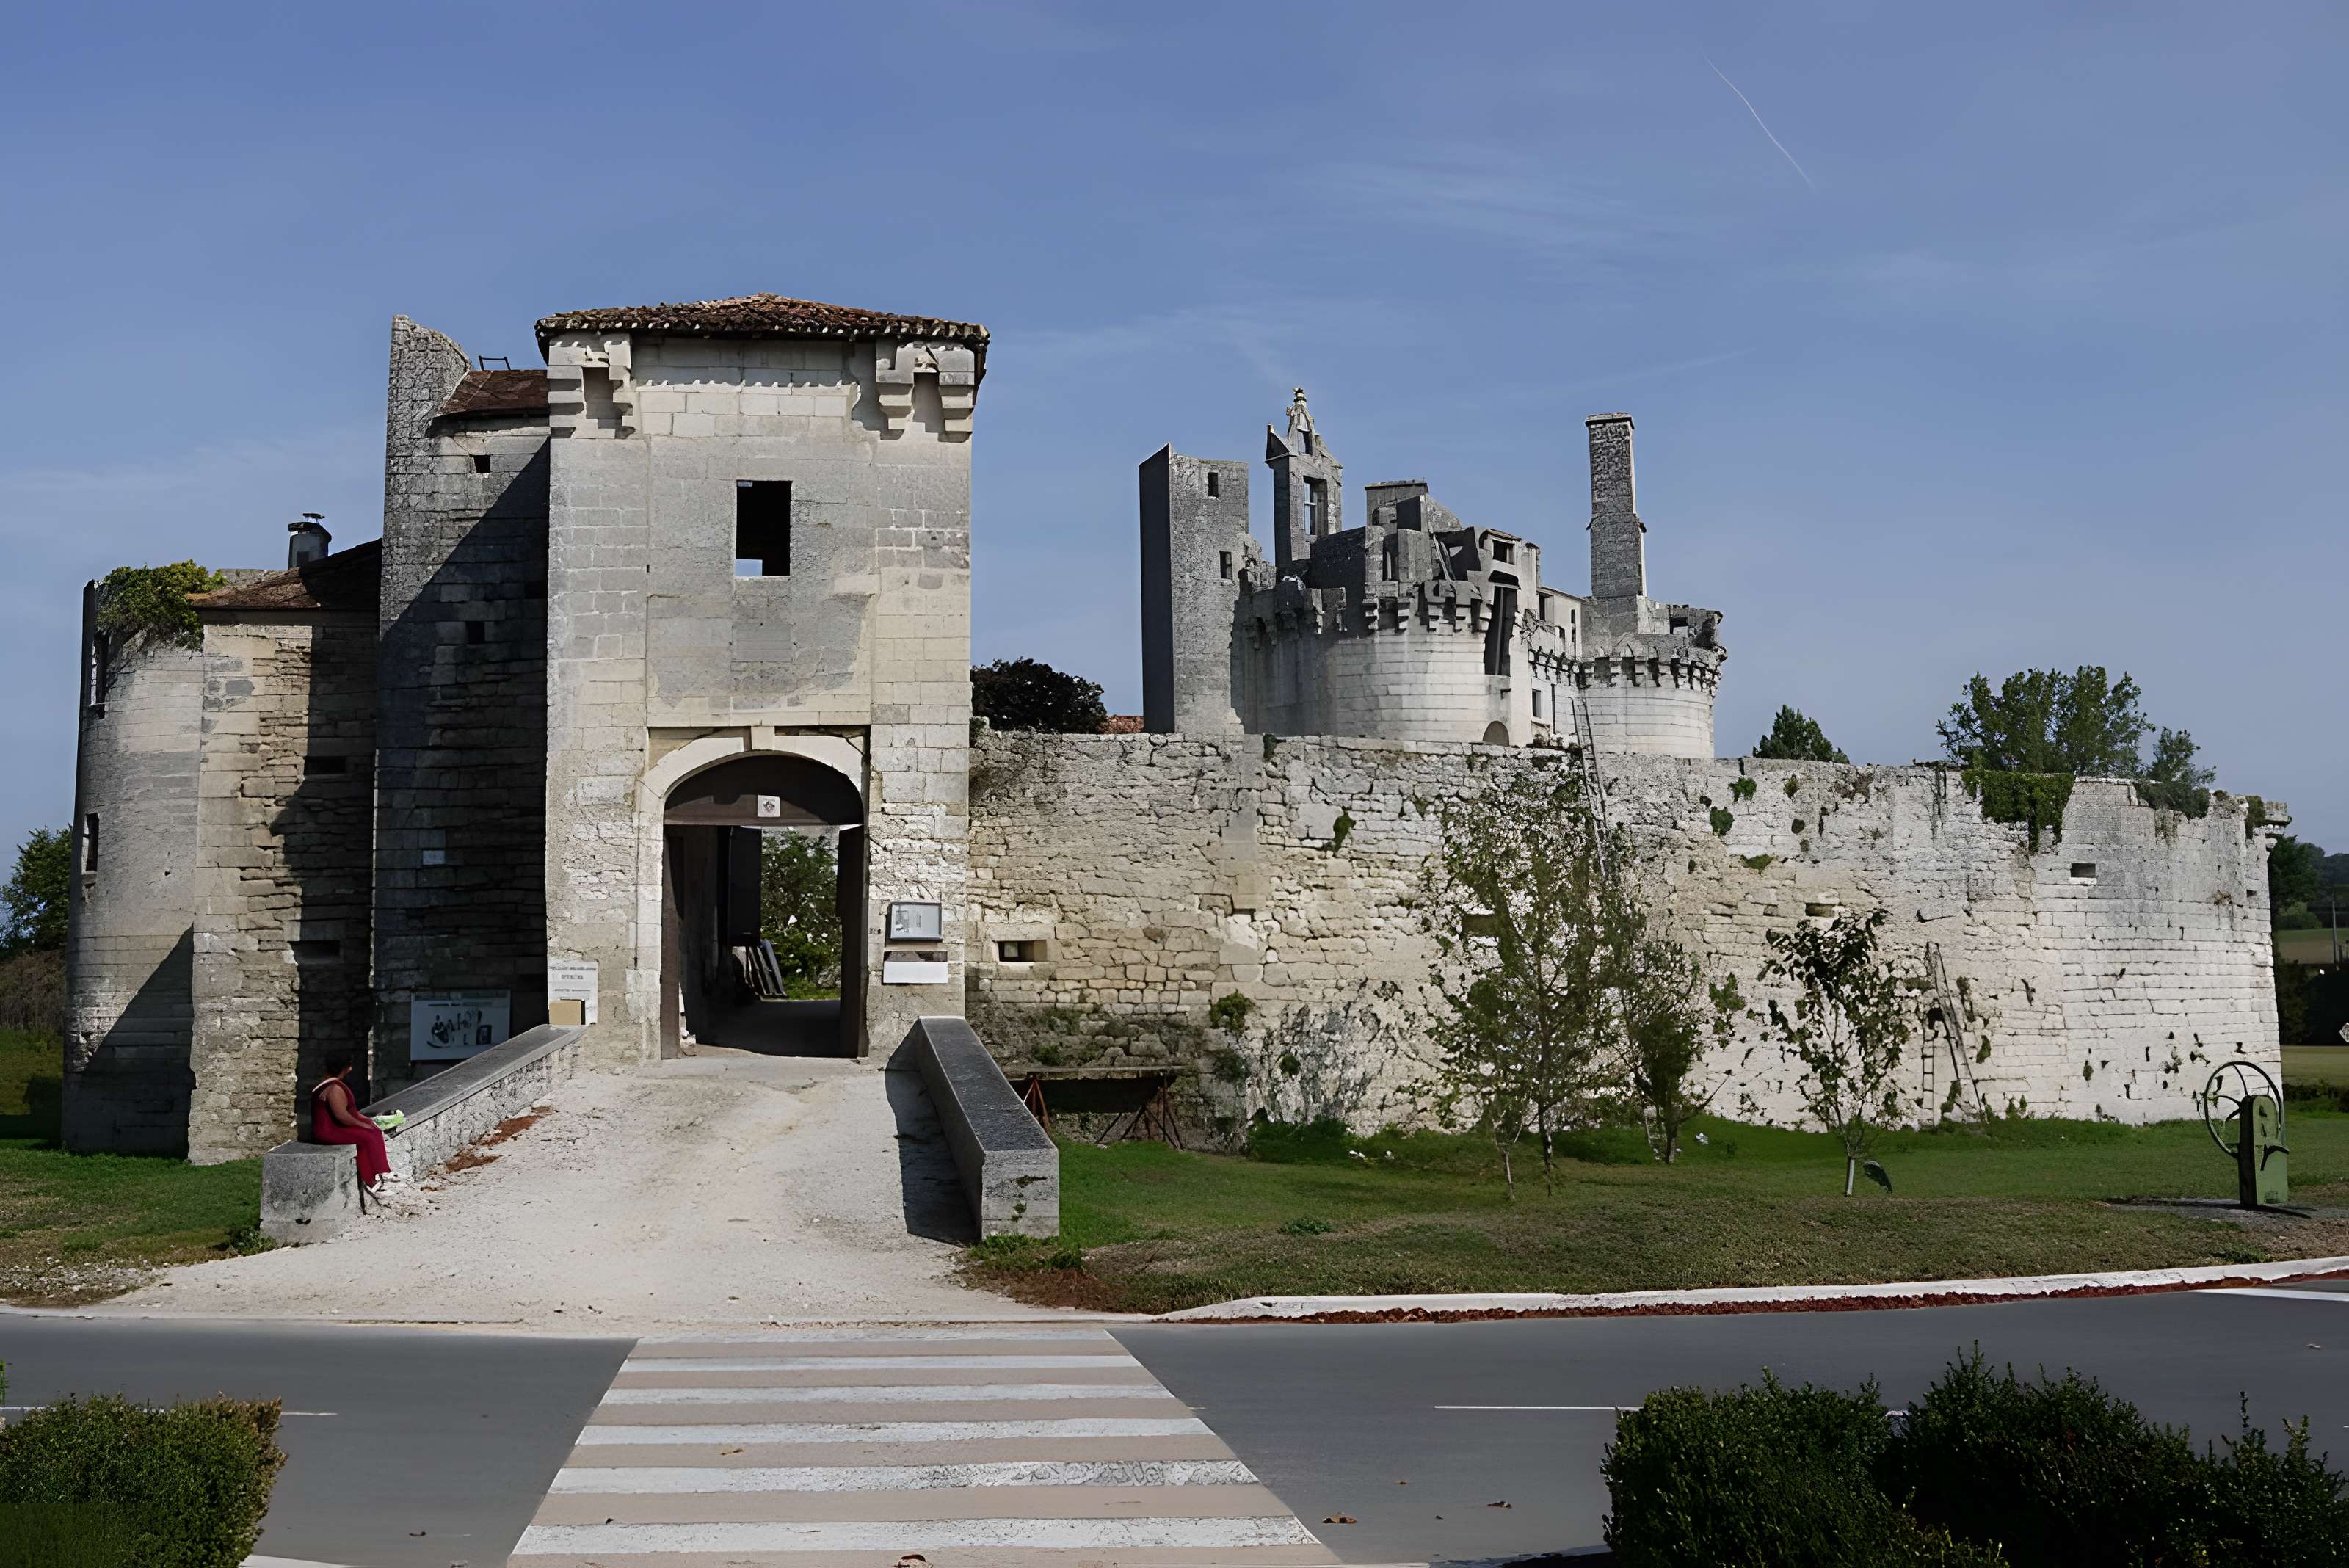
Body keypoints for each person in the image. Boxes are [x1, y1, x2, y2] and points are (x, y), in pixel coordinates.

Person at [311, 1050, 395, 1196]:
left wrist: (367, 1121)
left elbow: (351, 1113)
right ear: (348, 1068)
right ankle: (381, 1173)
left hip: (329, 1128)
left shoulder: (330, 1085)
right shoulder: (334, 1088)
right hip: (328, 1131)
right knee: (367, 1135)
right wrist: (362, 1125)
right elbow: (342, 1115)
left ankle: (372, 1179)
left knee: (370, 1133)